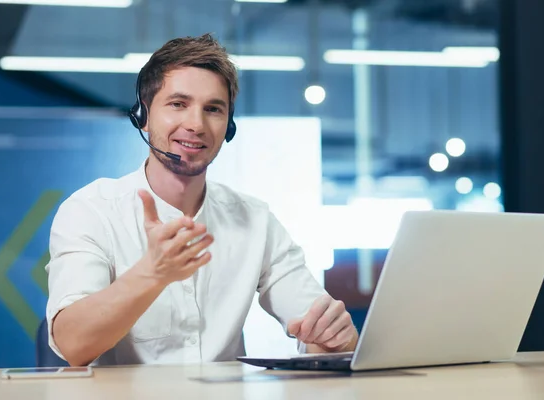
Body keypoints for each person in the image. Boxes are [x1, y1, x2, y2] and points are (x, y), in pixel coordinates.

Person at [45, 33, 358, 367]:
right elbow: (73, 344)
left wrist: (334, 337)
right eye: (178, 104)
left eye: (213, 109)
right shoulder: (91, 210)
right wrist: (151, 274)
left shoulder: (255, 220)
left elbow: (323, 336)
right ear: (144, 115)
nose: (196, 124)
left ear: (229, 126)